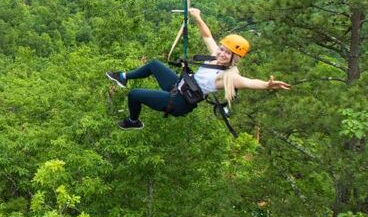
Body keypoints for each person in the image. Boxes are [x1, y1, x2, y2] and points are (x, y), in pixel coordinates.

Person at [106, 8, 290, 130]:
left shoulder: (227, 76)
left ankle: (133, 121)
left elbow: (249, 83)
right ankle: (123, 76)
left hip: (180, 102)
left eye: (228, 53)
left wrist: (267, 85)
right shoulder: (216, 57)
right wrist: (197, 17)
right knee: (154, 64)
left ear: (235, 58)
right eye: (222, 49)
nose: (222, 53)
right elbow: (207, 36)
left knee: (135, 95)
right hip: (179, 85)